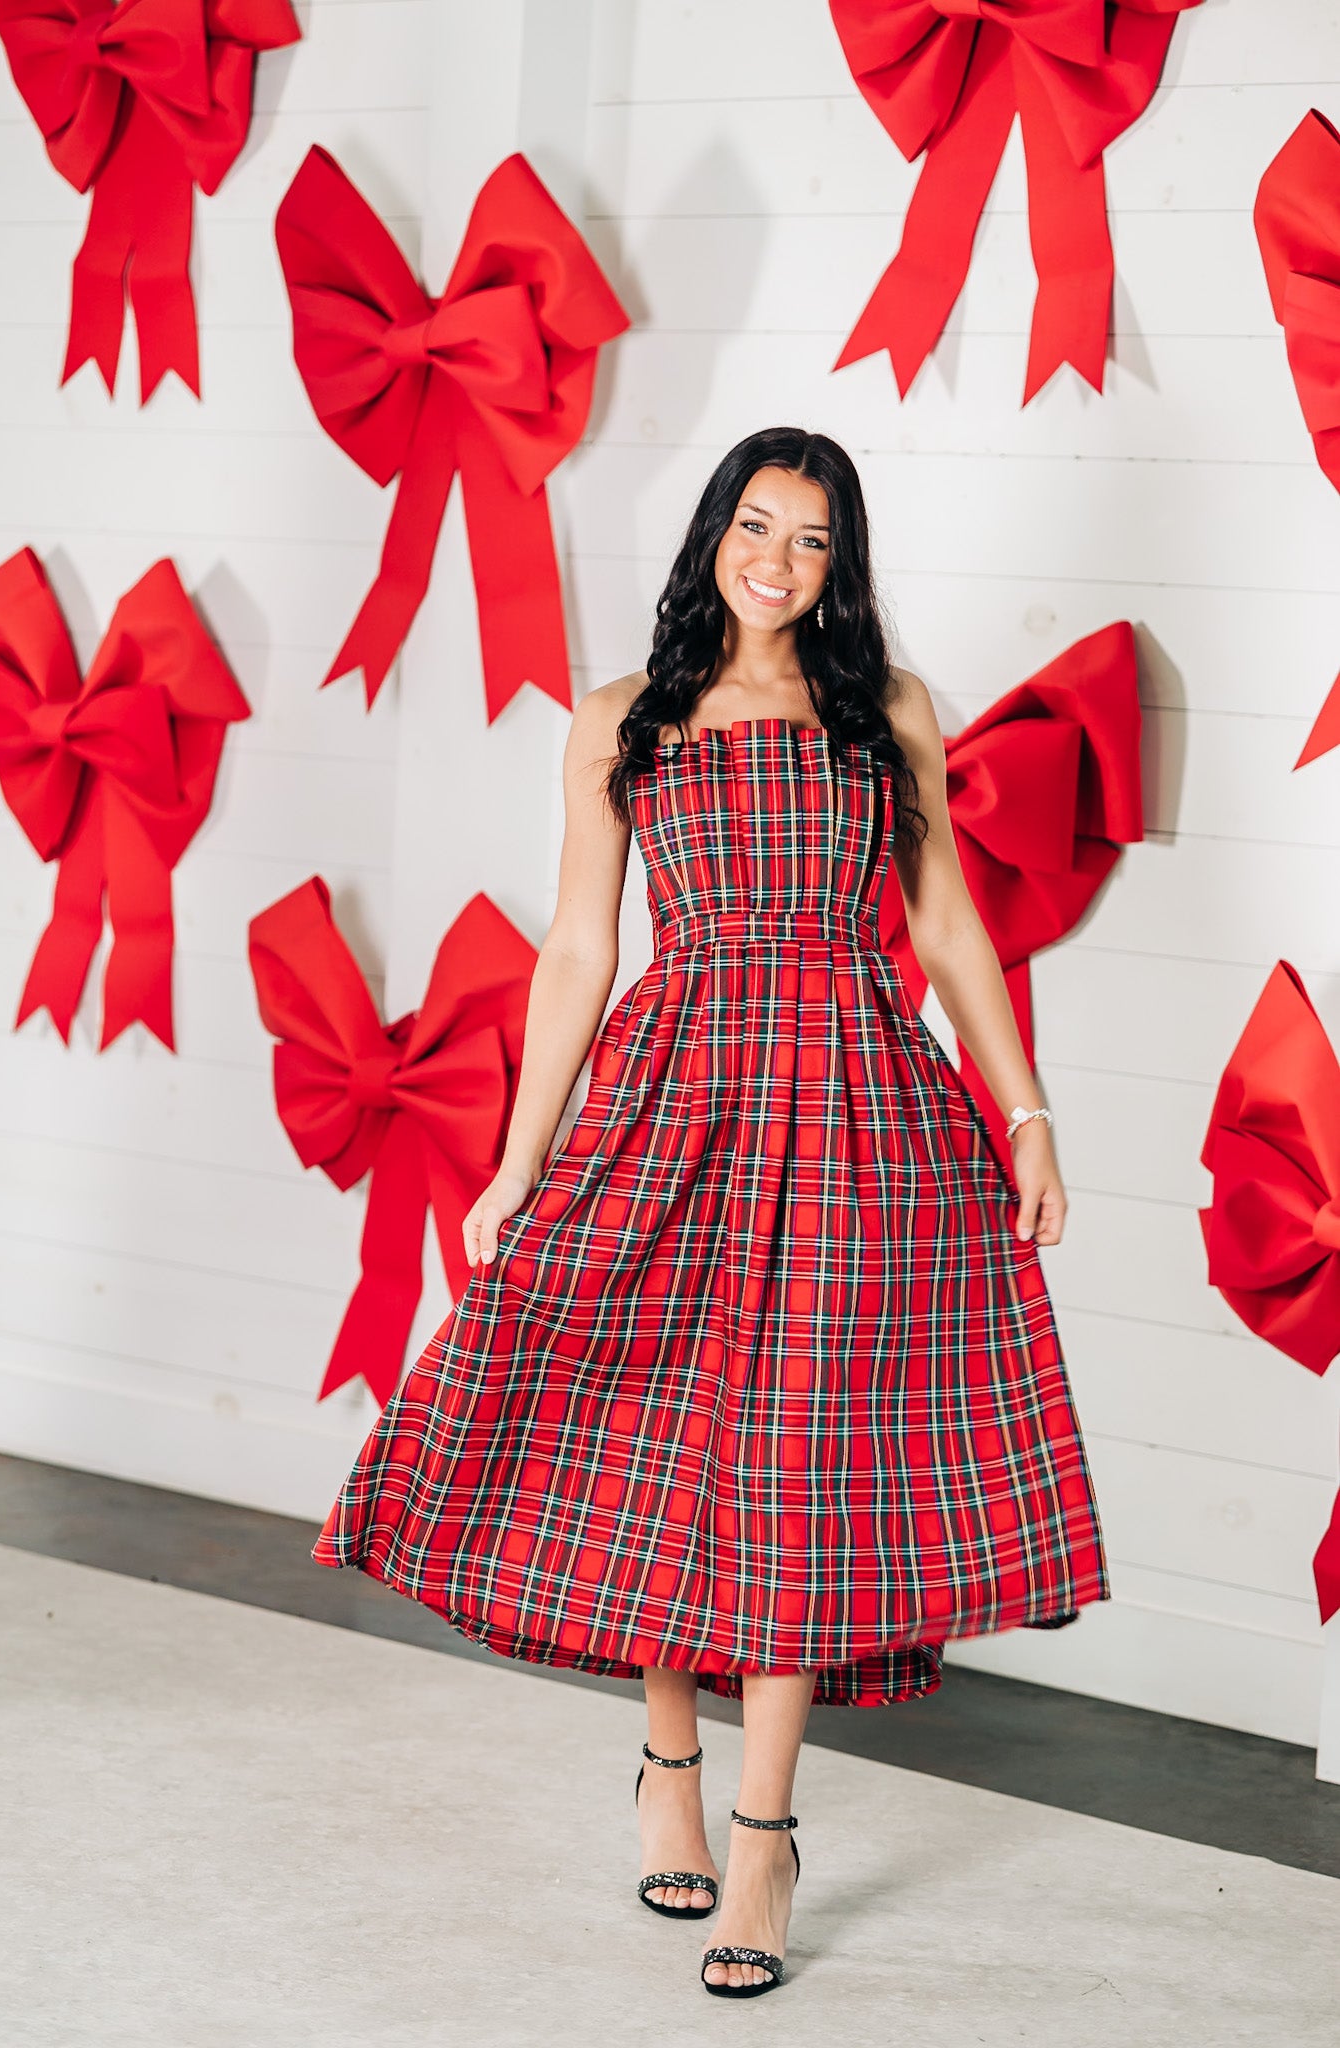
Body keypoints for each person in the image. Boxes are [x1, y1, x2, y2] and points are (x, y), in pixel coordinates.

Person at [314, 426, 1109, 1999]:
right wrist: (516, 1167)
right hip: (669, 1099)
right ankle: (665, 1766)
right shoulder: (627, 718)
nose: (779, 561)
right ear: (713, 533)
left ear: (840, 564)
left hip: (854, 1110)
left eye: (813, 541)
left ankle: (762, 1836)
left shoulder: (884, 711)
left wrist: (1022, 1110)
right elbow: (574, 954)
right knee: (656, 1439)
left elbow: (945, 920)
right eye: (758, 526)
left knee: (792, 1464)